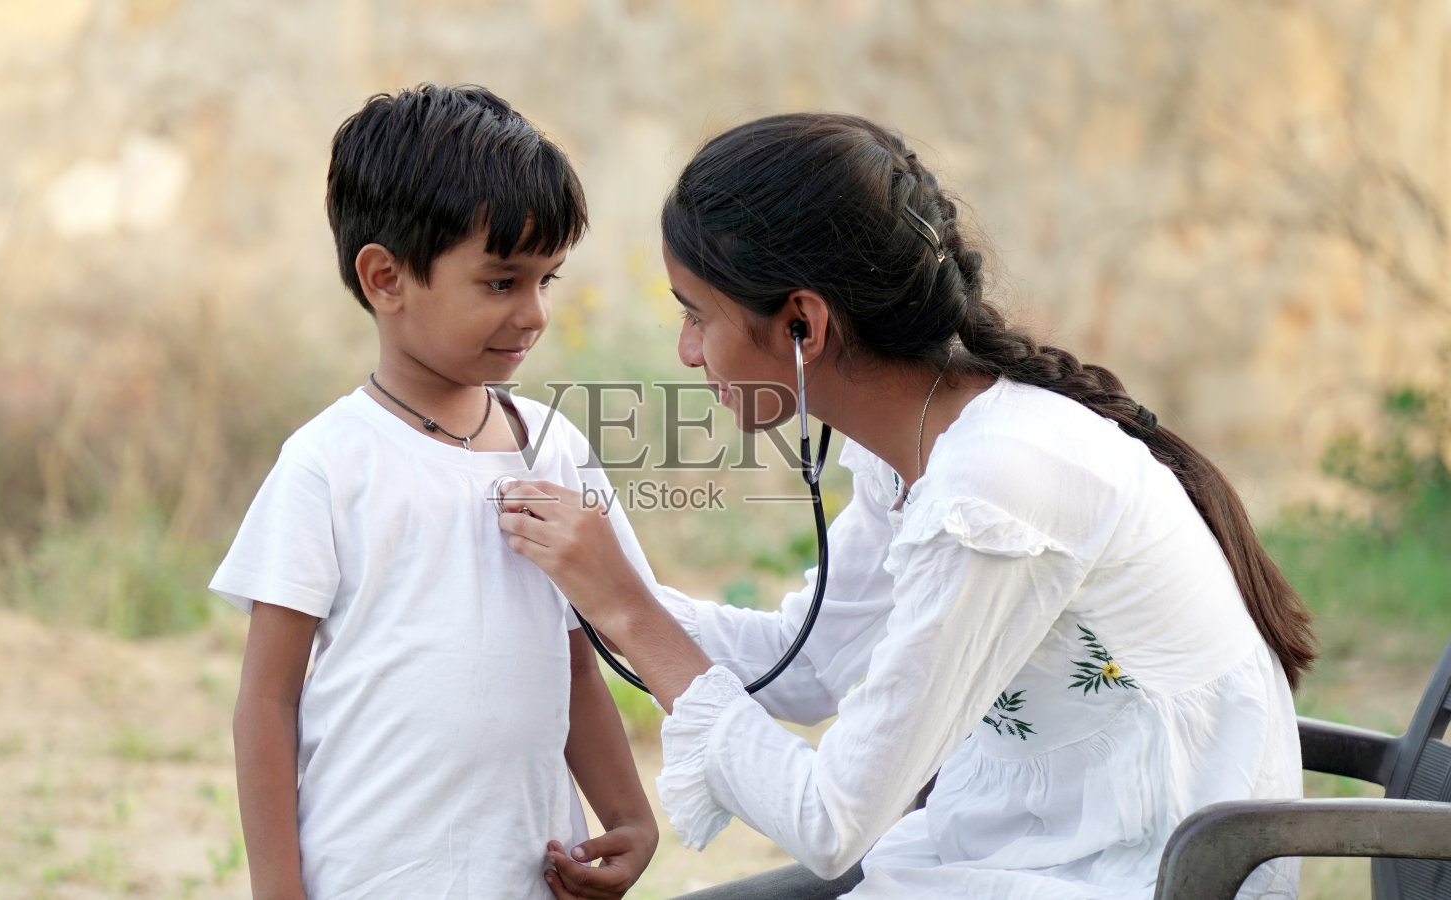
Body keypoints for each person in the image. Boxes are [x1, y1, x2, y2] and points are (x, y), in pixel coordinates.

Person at [498, 112, 1317, 899]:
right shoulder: (920, 452)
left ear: (802, 324)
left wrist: (631, 612)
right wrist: (597, 588)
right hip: (1017, 856)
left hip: (1126, 880)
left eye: (697, 315)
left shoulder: (992, 489)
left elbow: (831, 822)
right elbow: (806, 665)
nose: (686, 351)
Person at [212, 84, 657, 900]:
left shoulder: (555, 450)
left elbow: (575, 663)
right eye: (502, 282)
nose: (535, 313)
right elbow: (268, 701)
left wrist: (630, 816)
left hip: (532, 875)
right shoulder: (329, 464)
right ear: (386, 277)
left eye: (548, 280)